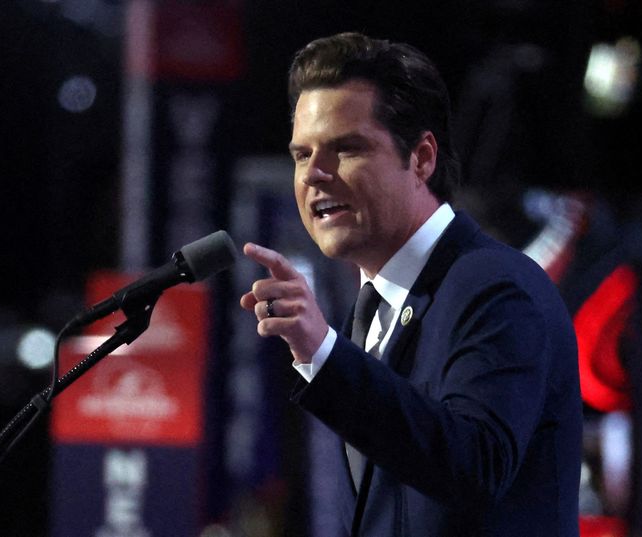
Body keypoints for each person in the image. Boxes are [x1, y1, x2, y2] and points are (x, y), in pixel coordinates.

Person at [239, 32, 582, 537]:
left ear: (421, 158)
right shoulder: (371, 309)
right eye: (301, 154)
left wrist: (326, 356)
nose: (314, 174)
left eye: (346, 148)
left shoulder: (495, 286)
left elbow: (475, 467)